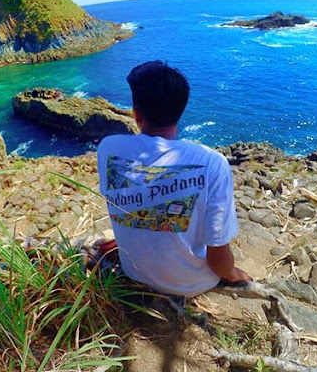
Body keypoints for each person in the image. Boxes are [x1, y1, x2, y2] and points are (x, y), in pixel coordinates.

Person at [97, 60, 252, 296]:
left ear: (136, 114)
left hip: (135, 272)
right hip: (192, 285)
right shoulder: (212, 163)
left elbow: (141, 200)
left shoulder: (109, 149)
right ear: (181, 111)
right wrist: (234, 274)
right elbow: (218, 259)